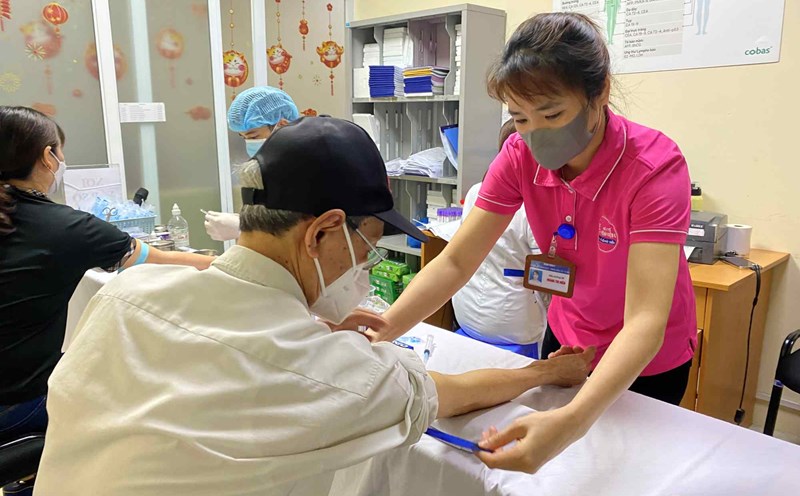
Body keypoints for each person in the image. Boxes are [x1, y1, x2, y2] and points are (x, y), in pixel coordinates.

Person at [32, 117, 594, 495]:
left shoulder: (124, 295)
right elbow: (445, 394)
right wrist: (547, 371)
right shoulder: (333, 373)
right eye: (368, 244)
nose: (367, 263)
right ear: (324, 231)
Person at [370, 12, 696, 473]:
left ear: (598, 93)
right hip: (566, 342)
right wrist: (381, 331)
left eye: (552, 114)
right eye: (520, 118)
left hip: (645, 362)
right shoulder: (519, 155)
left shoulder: (653, 168)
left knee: (623, 473)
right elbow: (457, 262)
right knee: (556, 475)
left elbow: (646, 319)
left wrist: (572, 421)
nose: (535, 133)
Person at [0, 106, 214, 494]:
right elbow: (158, 260)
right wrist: (227, 261)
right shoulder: (66, 227)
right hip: (14, 403)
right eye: (59, 153)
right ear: (49, 157)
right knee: (129, 398)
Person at [452, 119, 547, 358]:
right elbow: (548, 279)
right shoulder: (534, 204)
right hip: (510, 322)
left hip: (465, 310)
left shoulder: (476, 190)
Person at [204, 85, 300, 242]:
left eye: (254, 136)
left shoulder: (307, 166)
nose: (249, 143)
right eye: (244, 137)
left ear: (281, 125)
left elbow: (306, 230)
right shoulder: (268, 167)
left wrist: (244, 228)